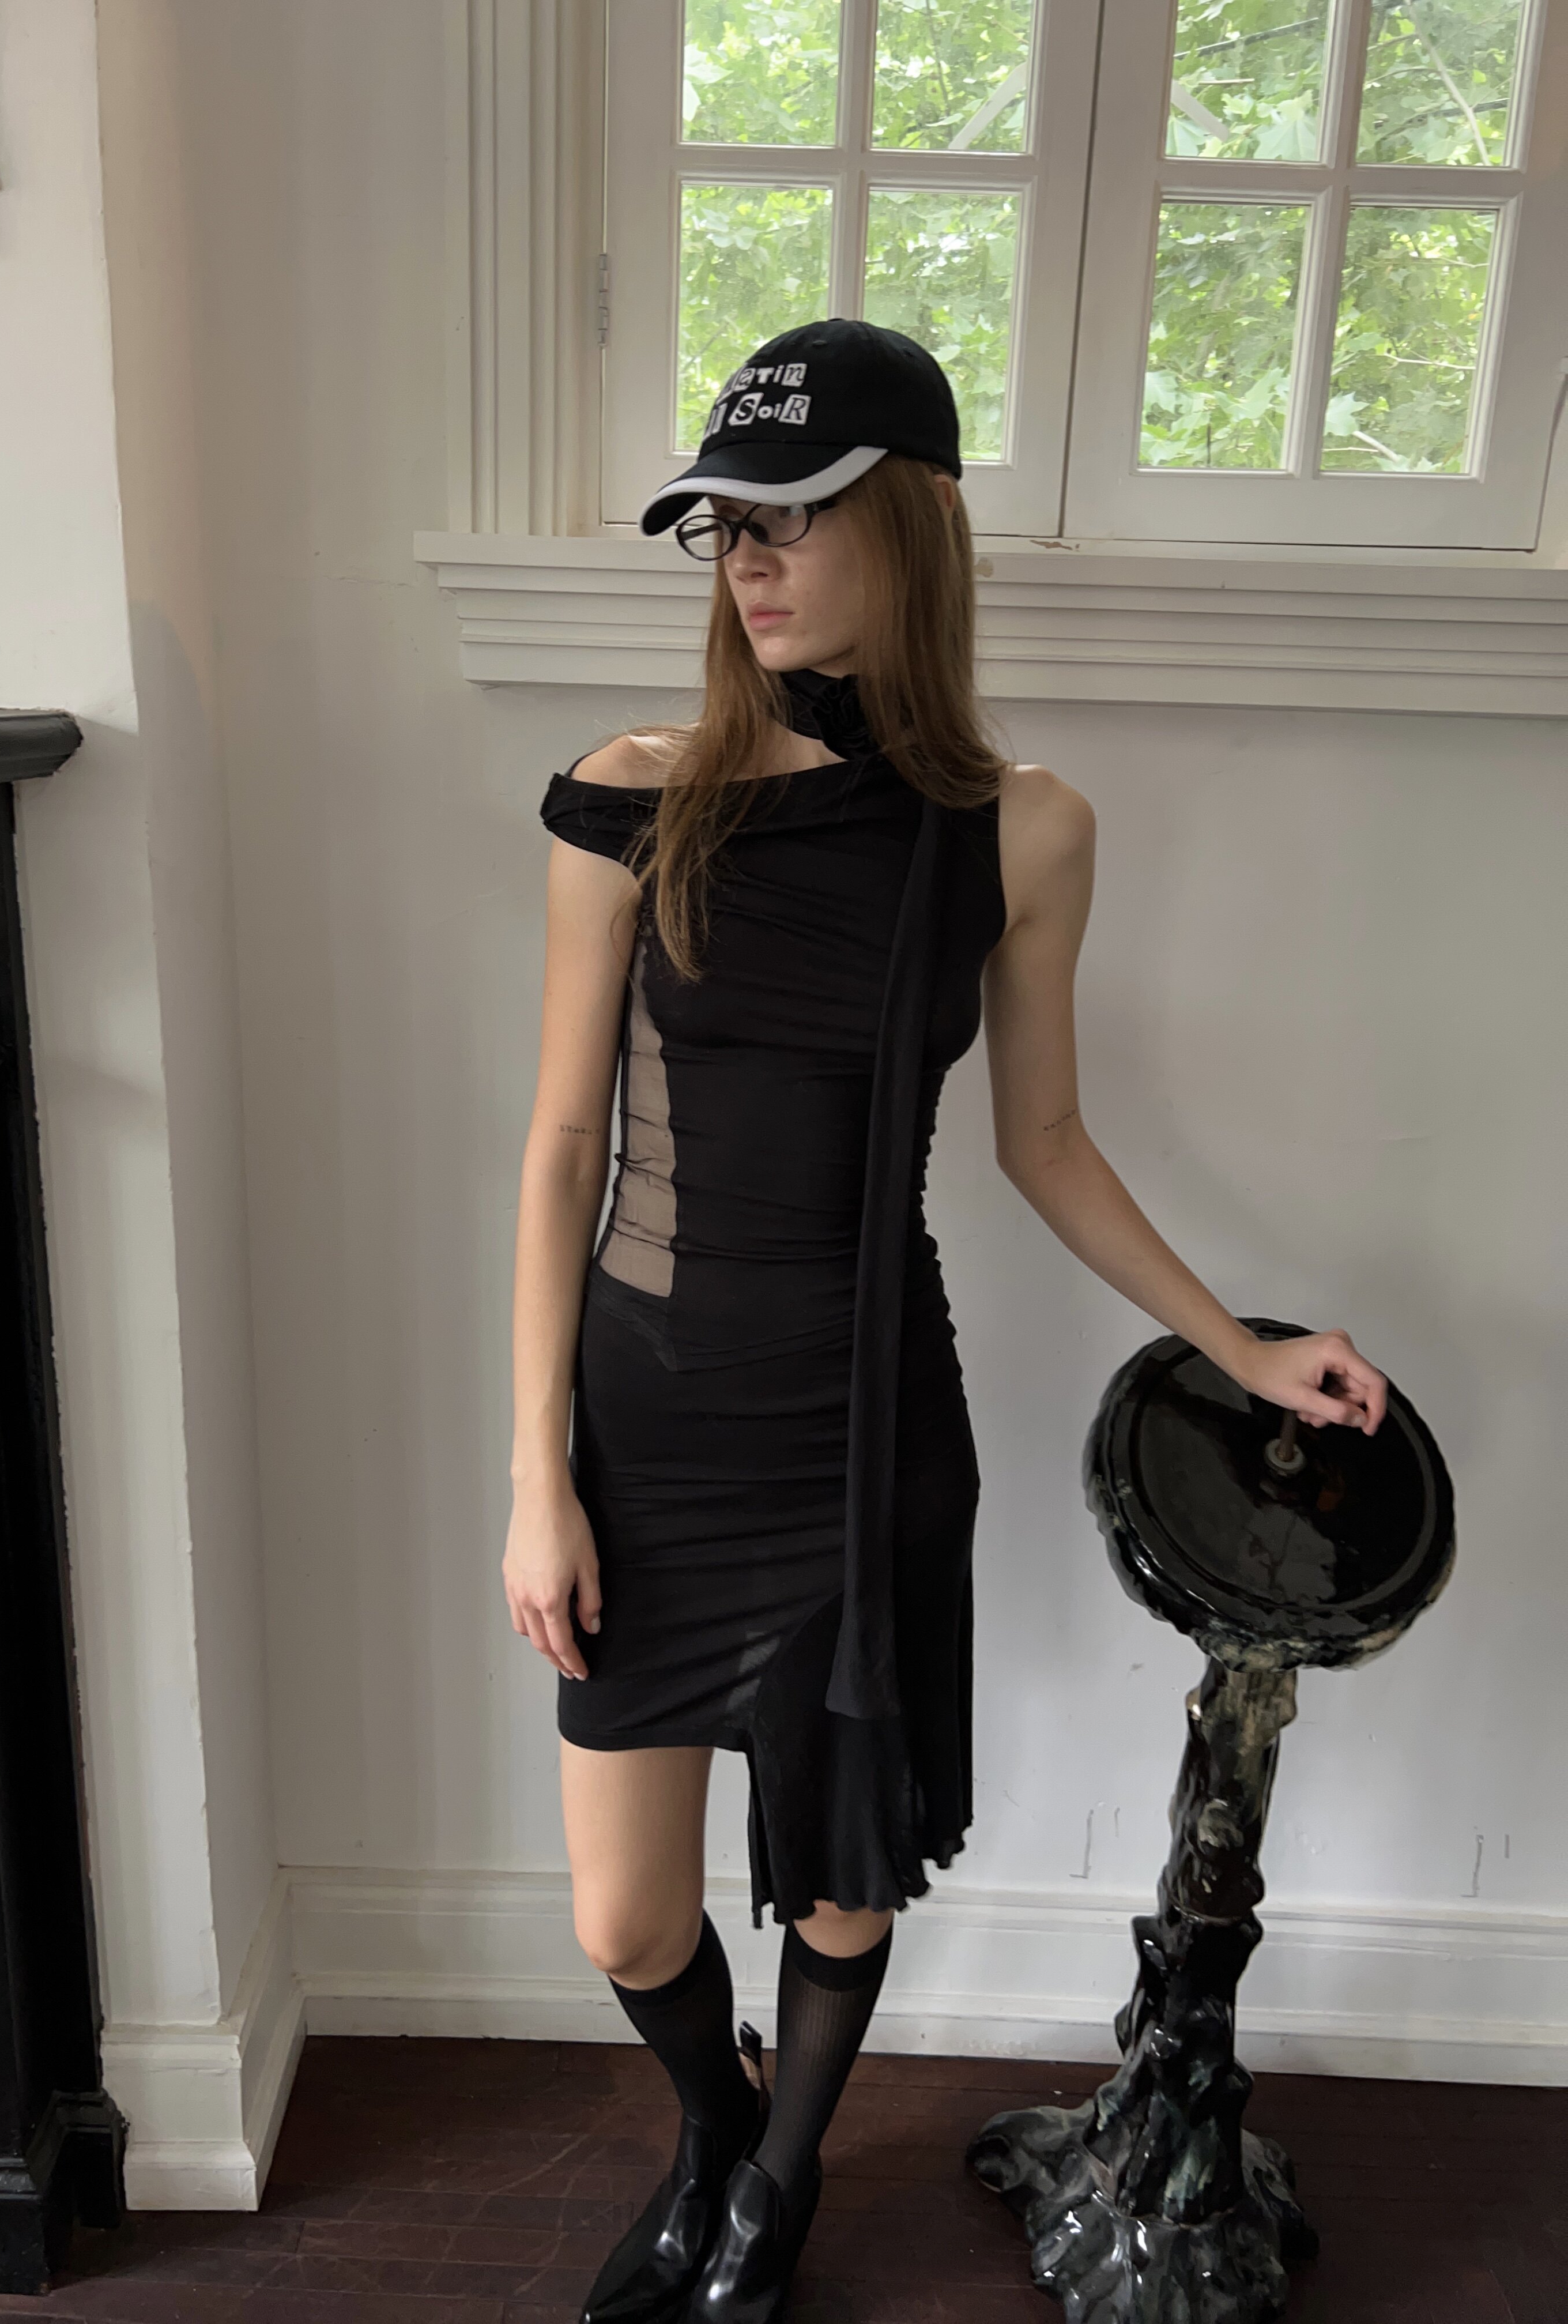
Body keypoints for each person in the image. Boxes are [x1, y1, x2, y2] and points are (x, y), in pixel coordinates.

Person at [504, 319, 1386, 2324]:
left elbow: (1045, 1141)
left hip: (865, 1431)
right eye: (727, 526)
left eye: (794, 518)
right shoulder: (628, 801)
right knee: (623, 1911)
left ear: (912, 524)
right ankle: (714, 2129)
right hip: (650, 1424)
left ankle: (774, 2190)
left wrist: (1243, 1349)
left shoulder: (1025, 828)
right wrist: (536, 1476)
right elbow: (560, 1149)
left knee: (841, 1868)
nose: (749, 559)